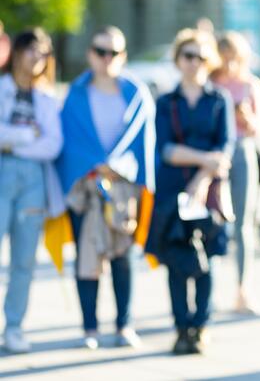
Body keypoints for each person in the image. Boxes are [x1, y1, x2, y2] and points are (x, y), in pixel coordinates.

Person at [55, 26, 155, 350]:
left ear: (123, 56)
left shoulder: (136, 94)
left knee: (123, 257)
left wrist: (121, 168)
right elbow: (68, 142)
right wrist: (93, 165)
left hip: (123, 187)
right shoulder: (76, 93)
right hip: (84, 188)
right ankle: (89, 328)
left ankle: (125, 324)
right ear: (90, 54)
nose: (107, 58)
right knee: (87, 257)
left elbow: (143, 143)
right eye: (101, 51)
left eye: (114, 52)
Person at [145, 28, 234, 355]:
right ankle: (181, 327)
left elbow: (226, 148)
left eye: (200, 56)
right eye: (188, 56)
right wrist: (204, 160)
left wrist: (201, 179)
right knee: (176, 261)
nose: (194, 62)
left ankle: (201, 326)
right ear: (178, 59)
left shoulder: (219, 99)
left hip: (209, 193)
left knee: (208, 260)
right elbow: (166, 149)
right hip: (172, 192)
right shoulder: (166, 102)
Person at [0, 28, 63, 353]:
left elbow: (52, 145)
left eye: (43, 53)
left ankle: (14, 327)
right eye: (32, 51)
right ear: (18, 52)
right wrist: (26, 136)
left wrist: (13, 145)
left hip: (33, 183)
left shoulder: (46, 98)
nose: (37, 59)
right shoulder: (3, 88)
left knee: (24, 259)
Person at [212, 31, 260, 314]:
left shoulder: (250, 84)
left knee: (243, 224)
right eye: (225, 58)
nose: (230, 64)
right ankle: (210, 289)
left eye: (234, 58)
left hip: (243, 150)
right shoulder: (211, 82)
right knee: (212, 221)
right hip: (215, 155)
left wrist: (248, 119)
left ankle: (243, 290)